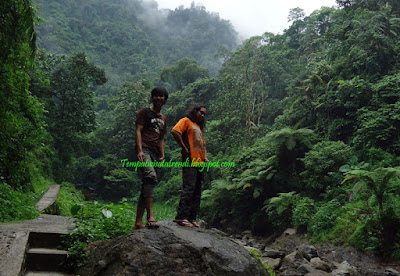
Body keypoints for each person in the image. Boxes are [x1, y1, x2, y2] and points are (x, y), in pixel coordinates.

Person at [134, 87, 168, 230]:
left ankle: (137, 223)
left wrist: (162, 156)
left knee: (147, 184)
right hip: (145, 150)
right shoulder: (144, 112)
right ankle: (150, 216)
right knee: (150, 176)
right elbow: (138, 131)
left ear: (165, 99)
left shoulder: (163, 118)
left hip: (155, 153)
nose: (159, 98)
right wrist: (140, 150)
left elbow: (161, 139)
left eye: (161, 96)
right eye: (156, 95)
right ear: (152, 98)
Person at [171, 104, 208, 228]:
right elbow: (175, 131)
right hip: (189, 159)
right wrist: (183, 147)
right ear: (195, 111)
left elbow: (203, 145)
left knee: (197, 190)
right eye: (201, 112)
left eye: (204, 114)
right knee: (189, 188)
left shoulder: (198, 128)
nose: (202, 115)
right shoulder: (186, 121)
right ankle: (181, 216)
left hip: (200, 163)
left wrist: (205, 158)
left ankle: (192, 217)